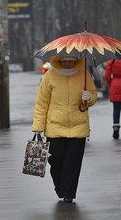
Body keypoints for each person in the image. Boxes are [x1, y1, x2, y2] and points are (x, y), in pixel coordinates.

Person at [32, 56, 97, 203]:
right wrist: (38, 128)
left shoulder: (84, 75)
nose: (68, 64)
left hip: (78, 126)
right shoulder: (49, 76)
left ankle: (69, 194)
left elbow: (93, 96)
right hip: (55, 127)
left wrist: (89, 98)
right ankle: (61, 187)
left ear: (75, 61)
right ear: (59, 61)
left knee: (73, 163)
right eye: (65, 61)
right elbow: (41, 104)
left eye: (71, 61)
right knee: (56, 161)